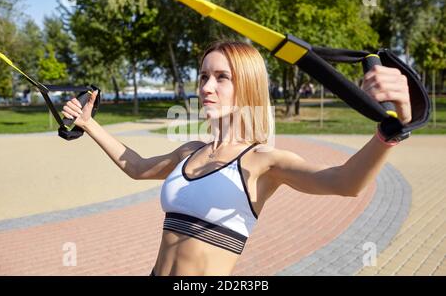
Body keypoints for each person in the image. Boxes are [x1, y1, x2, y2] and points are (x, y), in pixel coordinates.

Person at [61, 41, 412, 276]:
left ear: (247, 85)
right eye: (203, 77)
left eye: (221, 78)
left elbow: (345, 182)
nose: (206, 87)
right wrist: (89, 124)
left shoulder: (263, 162)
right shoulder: (190, 151)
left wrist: (391, 131)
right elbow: (135, 167)